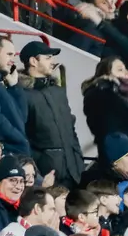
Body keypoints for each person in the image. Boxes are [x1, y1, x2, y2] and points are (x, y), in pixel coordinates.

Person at [20, 41, 83, 186]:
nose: (53, 62)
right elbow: (23, 135)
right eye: (48, 58)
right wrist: (40, 166)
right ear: (33, 61)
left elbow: (71, 128)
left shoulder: (58, 91)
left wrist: (77, 157)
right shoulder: (22, 94)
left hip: (74, 171)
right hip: (46, 173)